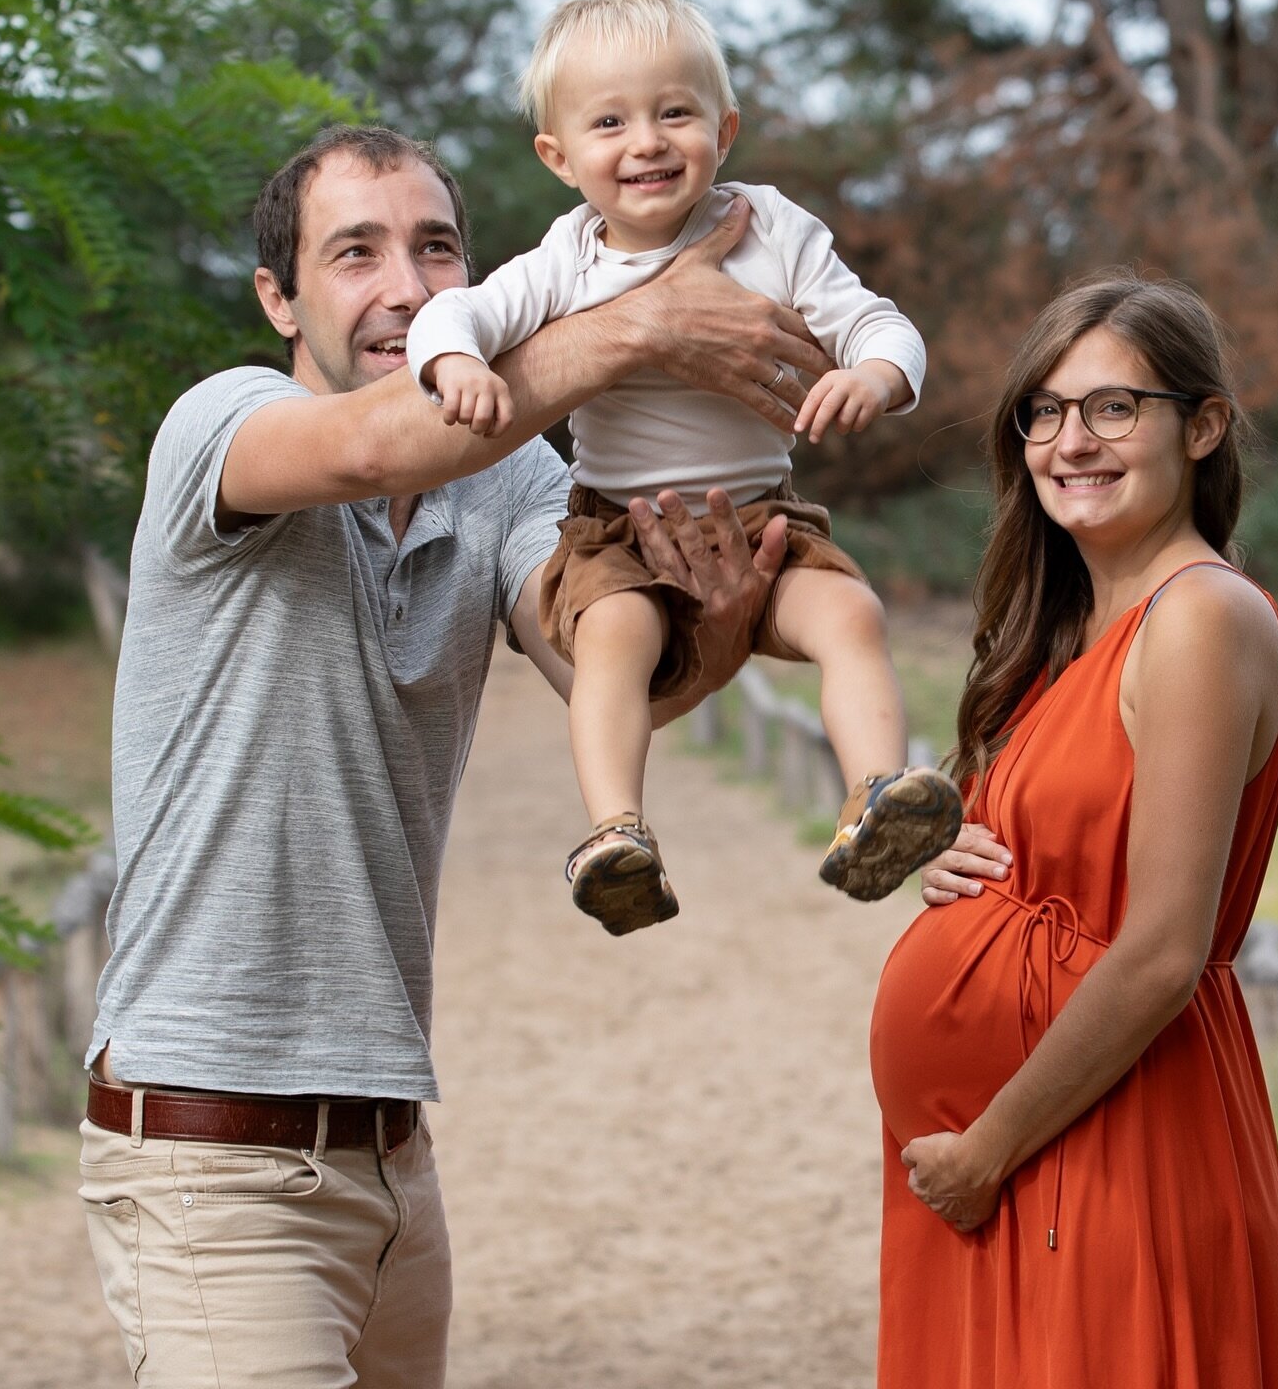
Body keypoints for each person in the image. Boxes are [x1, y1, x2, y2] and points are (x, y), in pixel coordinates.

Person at [76, 122, 841, 1388]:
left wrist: (714, 627)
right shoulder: (223, 423)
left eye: (438, 249)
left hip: (393, 1156)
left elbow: (618, 680)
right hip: (210, 1156)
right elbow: (384, 440)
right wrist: (640, 319)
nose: (410, 288)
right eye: (356, 253)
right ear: (280, 296)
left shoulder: (504, 483)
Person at [405, 0, 962, 936]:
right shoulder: (567, 258)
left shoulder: (774, 229)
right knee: (615, 638)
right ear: (559, 154)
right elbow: (460, 312)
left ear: (725, 126)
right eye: (610, 121)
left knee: (852, 613)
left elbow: (882, 323)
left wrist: (875, 374)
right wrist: (453, 362)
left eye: (675, 112)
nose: (648, 141)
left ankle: (878, 797)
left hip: (764, 521)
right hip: (619, 530)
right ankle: (616, 831)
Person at [869, 269, 1278, 1387]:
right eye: (1045, 411)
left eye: (1116, 407)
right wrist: (969, 872)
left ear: (1203, 426)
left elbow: (1161, 950)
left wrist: (987, 1150)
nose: (1073, 440)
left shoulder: (1199, 616)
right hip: (1023, 1156)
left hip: (1106, 1143)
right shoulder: (1071, 635)